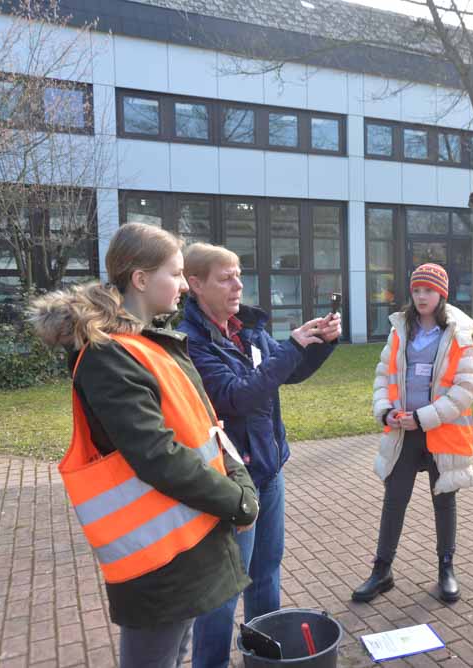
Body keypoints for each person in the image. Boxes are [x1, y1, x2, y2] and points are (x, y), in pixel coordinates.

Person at [27, 223, 259, 668]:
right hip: (157, 555)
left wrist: (238, 479)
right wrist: (238, 501)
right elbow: (157, 456)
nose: (182, 285)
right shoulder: (108, 355)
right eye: (174, 274)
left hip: (185, 539)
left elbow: (206, 428)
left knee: (177, 653)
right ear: (140, 279)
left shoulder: (148, 344)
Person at [177, 243, 340, 668]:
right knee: (226, 586)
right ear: (195, 284)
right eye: (225, 278)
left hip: (268, 469)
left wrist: (318, 344)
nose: (238, 285)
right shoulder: (191, 342)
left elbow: (289, 372)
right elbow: (235, 397)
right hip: (230, 480)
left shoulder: (245, 327)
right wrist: (291, 347)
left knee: (266, 572)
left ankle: (263, 655)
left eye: (238, 275)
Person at [353, 263, 473, 604]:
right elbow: (384, 375)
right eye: (417, 290)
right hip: (402, 431)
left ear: (442, 294)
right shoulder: (401, 330)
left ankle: (446, 570)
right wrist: (385, 410)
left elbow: (467, 387)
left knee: (444, 500)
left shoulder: (459, 333)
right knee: (394, 499)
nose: (422, 296)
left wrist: (423, 418)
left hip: (441, 431)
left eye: (429, 290)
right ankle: (382, 571)